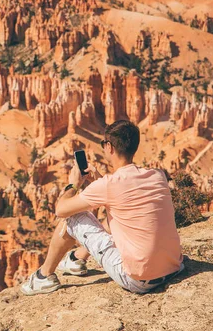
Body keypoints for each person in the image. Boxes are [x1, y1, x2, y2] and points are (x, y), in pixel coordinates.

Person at [21, 120, 184, 295]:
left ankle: (43, 277)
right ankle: (77, 259)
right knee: (114, 219)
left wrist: (73, 185)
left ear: (110, 147)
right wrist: (99, 180)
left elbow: (61, 210)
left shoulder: (109, 185)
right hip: (174, 267)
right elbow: (122, 199)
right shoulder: (157, 175)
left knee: (73, 219)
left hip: (139, 281)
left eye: (103, 144)